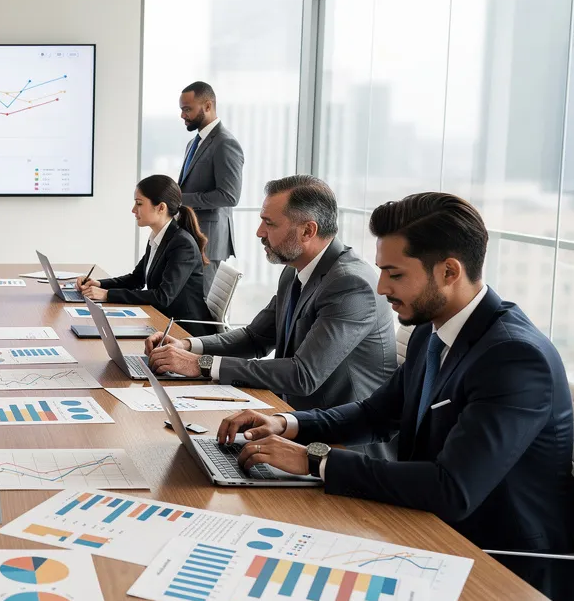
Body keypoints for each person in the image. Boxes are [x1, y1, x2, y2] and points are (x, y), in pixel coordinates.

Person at [215, 192, 574, 601]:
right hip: (430, 534)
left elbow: (452, 489)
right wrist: (286, 423)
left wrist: (313, 461)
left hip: (506, 573)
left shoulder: (514, 358)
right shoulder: (435, 329)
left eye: (394, 273)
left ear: (449, 271)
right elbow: (376, 415)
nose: (381, 288)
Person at [145, 176, 395, 411]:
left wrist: (201, 365)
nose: (259, 232)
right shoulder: (294, 271)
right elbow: (255, 338)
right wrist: (188, 346)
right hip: (291, 414)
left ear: (308, 231)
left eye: (269, 223)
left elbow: (303, 375)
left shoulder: (350, 285)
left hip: (337, 439)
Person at [75, 174, 217, 337]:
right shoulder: (159, 237)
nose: (133, 210)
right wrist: (100, 284)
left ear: (161, 207)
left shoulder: (182, 244)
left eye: (139, 203)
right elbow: (137, 279)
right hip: (163, 321)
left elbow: (163, 297)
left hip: (184, 331)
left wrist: (108, 295)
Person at [173, 81, 244, 293]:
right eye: (181, 109)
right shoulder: (194, 143)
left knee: (204, 306)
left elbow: (229, 196)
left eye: (187, 109)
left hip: (210, 242)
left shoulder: (225, 143)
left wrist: (179, 199)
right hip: (192, 236)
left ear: (207, 106)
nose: (182, 115)